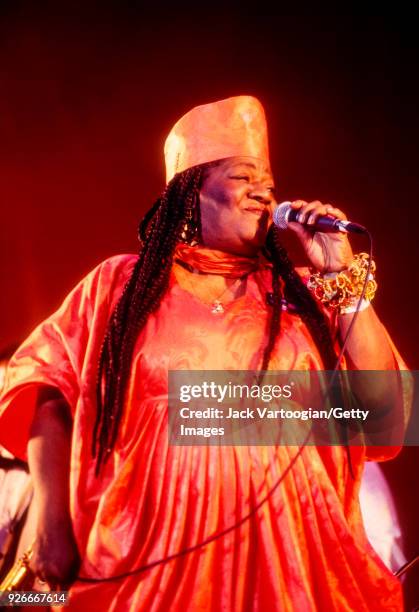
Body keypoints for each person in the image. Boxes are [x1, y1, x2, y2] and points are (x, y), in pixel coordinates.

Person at [0, 96, 410, 611]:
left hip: (298, 575)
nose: (265, 191)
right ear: (192, 190)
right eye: (245, 176)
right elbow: (44, 390)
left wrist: (341, 278)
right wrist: (52, 525)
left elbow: (387, 422)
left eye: (271, 182)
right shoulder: (121, 288)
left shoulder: (306, 298)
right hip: (154, 574)